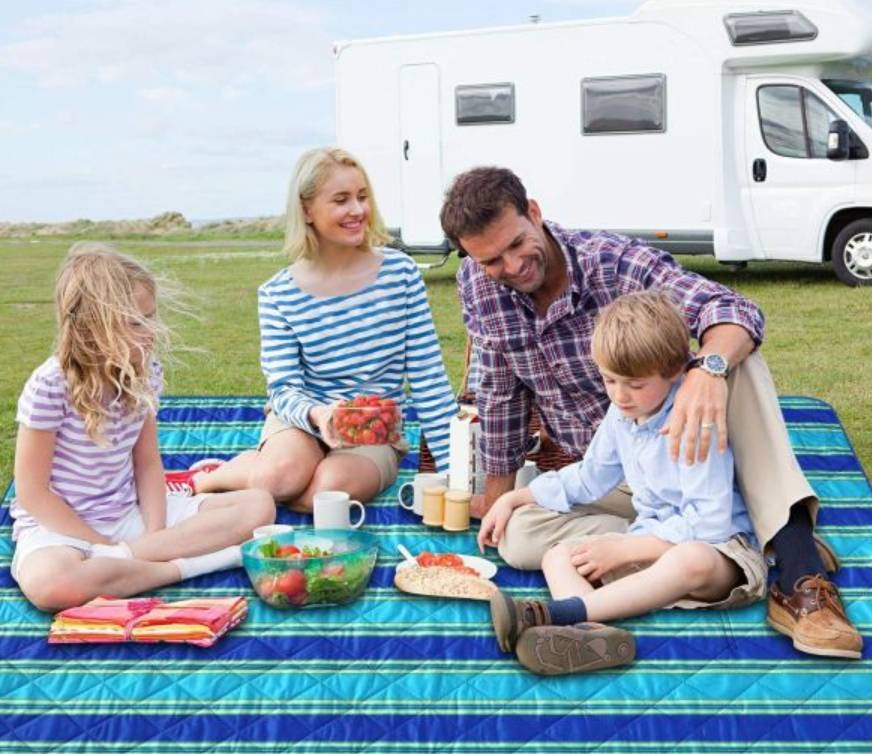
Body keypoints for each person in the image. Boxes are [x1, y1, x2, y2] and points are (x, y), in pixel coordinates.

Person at [440, 165, 862, 660]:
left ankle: (794, 560)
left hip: (685, 448)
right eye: (491, 259)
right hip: (615, 477)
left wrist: (706, 370)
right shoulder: (478, 282)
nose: (509, 267)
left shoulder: (612, 262)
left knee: (736, 360)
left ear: (534, 213)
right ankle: (724, 548)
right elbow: (499, 393)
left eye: (516, 245)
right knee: (517, 537)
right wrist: (502, 499)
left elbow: (734, 309)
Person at [480, 293, 771, 675]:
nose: (619, 395)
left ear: (675, 371)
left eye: (634, 384)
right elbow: (589, 477)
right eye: (609, 380)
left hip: (718, 553)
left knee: (691, 558)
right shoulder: (621, 415)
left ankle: (556, 613)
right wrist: (518, 496)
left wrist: (628, 548)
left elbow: (711, 523)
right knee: (559, 556)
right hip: (650, 542)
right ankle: (593, 637)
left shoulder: (692, 421)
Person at [184, 147, 457, 508]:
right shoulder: (278, 293)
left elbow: (429, 378)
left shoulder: (400, 274)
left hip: (373, 434)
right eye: (341, 200)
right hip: (304, 420)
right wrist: (318, 415)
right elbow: (283, 389)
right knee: (277, 480)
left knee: (325, 494)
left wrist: (455, 471)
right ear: (307, 210)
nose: (357, 210)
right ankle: (213, 478)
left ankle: (270, 478)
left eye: (362, 197)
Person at [10, 243, 276, 613]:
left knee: (258, 506)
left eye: (151, 316)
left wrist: (154, 534)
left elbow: (148, 464)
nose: (151, 332)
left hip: (128, 515)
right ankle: (187, 566)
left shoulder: (144, 370)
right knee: (50, 586)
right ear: (92, 327)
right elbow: (32, 491)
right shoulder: (50, 384)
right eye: (136, 322)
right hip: (62, 527)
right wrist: (96, 543)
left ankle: (132, 563)